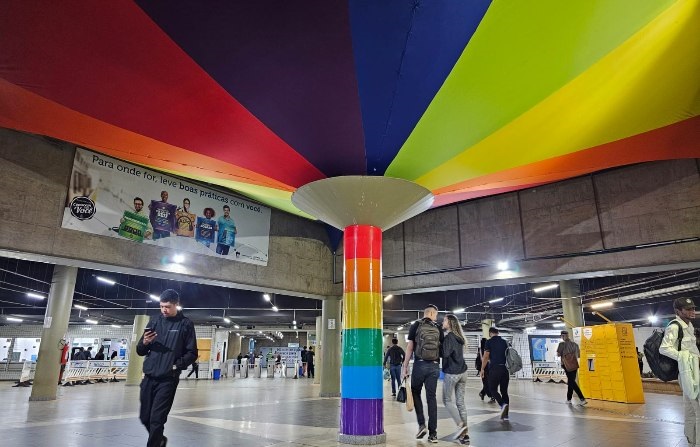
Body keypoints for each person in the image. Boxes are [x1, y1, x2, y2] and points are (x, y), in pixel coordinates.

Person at [137, 289, 198, 447]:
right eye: (161, 306)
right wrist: (144, 343)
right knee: (145, 417)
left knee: (157, 419)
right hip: (149, 377)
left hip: (168, 380)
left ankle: (154, 444)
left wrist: (176, 365)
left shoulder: (185, 324)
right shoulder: (154, 322)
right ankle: (159, 440)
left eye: (168, 306)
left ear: (177, 305)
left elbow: (192, 353)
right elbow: (140, 351)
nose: (164, 309)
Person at [660, 297, 700, 447]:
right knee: (698, 410)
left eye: (693, 309)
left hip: (693, 372)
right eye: (688, 309)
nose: (692, 311)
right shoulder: (675, 326)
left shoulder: (688, 326)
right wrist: (685, 358)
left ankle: (692, 441)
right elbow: (664, 348)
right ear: (678, 311)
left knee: (690, 410)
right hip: (688, 373)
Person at [402, 304, 444, 443]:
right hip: (434, 366)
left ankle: (421, 424)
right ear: (432, 313)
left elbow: (410, 347)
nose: (436, 317)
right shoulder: (438, 327)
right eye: (436, 314)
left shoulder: (416, 325)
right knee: (431, 398)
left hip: (419, 364)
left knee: (415, 392)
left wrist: (405, 365)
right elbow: (442, 348)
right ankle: (433, 434)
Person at [442, 314, 470, 444]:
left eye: (445, 320)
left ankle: (460, 424)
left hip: (453, 373)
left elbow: (445, 353)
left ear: (450, 323)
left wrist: (439, 344)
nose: (443, 322)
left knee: (447, 400)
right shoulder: (460, 337)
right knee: (460, 403)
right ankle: (464, 435)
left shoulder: (449, 337)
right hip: (463, 372)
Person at [480, 327, 510, 420]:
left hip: (494, 369)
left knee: (492, 389)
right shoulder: (505, 342)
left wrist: (482, 369)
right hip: (505, 369)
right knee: (504, 391)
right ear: (498, 333)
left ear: (490, 333)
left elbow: (486, 356)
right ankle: (506, 415)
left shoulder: (489, 342)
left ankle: (502, 404)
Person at [557, 330, 587, 405]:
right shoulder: (575, 344)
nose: (562, 337)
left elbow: (558, 354)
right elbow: (578, 355)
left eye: (562, 336)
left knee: (571, 382)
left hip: (566, 365)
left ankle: (581, 399)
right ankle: (570, 399)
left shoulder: (561, 344)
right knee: (571, 381)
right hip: (574, 365)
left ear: (563, 336)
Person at [476, 337, 494, 403]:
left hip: (485, 368)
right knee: (487, 383)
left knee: (487, 383)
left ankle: (482, 393)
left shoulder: (480, 350)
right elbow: (483, 359)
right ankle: (491, 396)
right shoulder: (483, 350)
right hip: (485, 368)